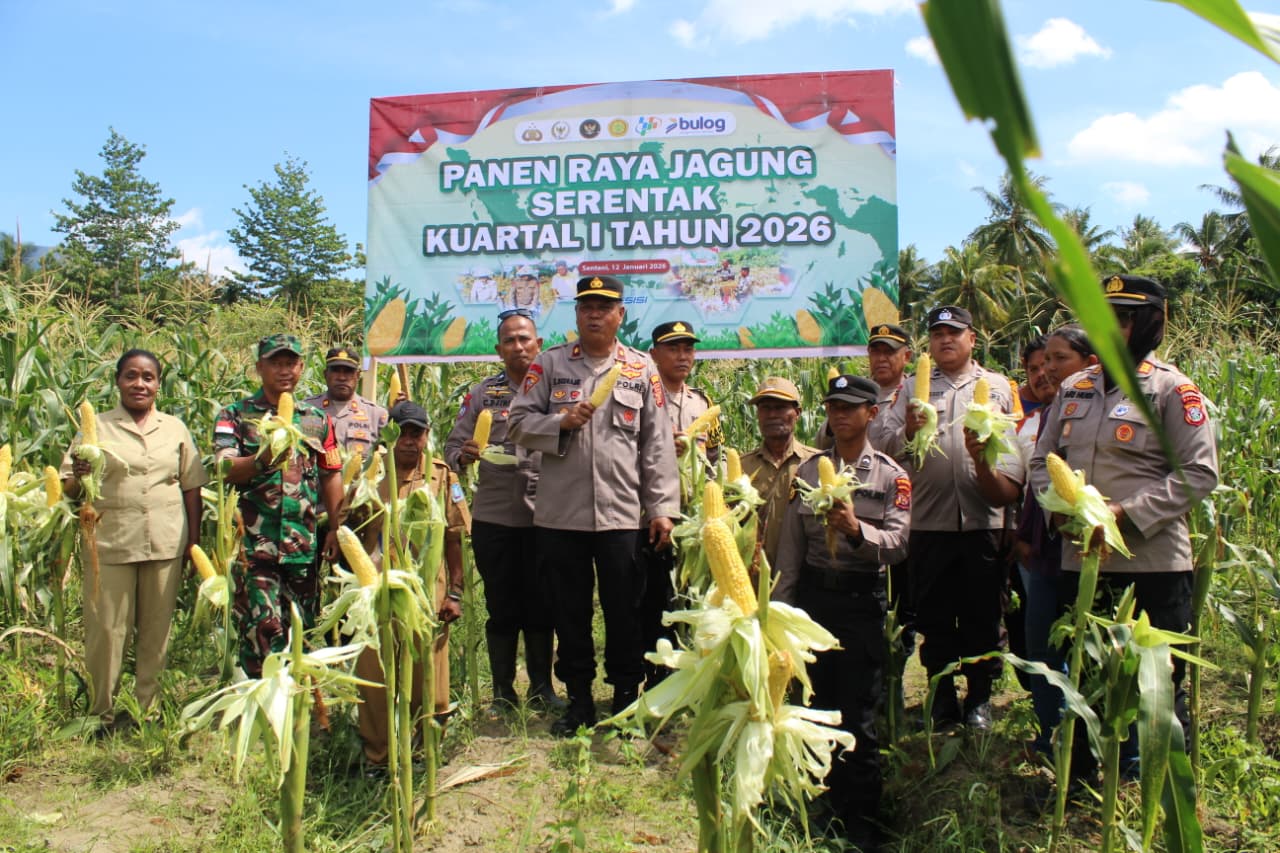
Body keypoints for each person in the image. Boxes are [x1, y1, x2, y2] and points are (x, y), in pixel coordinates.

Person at [1030, 275, 1218, 772]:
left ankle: (1154, 780)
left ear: (1147, 324)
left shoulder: (1171, 390)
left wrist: (1122, 514)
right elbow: (1041, 459)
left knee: (1155, 684)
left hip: (1151, 566)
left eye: (1121, 317)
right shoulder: (1074, 388)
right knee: (1087, 673)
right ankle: (1088, 777)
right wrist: (1059, 510)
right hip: (1083, 564)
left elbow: (1199, 472)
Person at [508, 274, 680, 736]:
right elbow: (517, 425)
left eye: (605, 306)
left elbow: (657, 445)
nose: (595, 313)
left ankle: (625, 699)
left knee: (625, 610)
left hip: (622, 516)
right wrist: (560, 422)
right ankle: (579, 701)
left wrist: (661, 507)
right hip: (561, 516)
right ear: (577, 314)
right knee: (570, 612)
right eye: (587, 306)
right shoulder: (549, 365)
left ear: (621, 314)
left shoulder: (641, 370)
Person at [773, 375, 910, 849]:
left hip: (858, 603)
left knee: (858, 714)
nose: (840, 416)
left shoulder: (890, 476)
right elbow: (790, 551)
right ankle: (821, 804)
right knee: (814, 706)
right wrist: (781, 613)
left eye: (851, 408)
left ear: (872, 414)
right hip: (814, 600)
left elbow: (897, 545)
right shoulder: (808, 474)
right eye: (834, 407)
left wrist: (856, 530)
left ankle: (863, 818)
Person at [881, 306, 1022, 730]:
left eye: (954, 332)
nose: (945, 339)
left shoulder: (997, 387)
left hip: (986, 521)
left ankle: (979, 697)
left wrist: (1011, 510)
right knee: (935, 617)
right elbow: (884, 447)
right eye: (938, 332)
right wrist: (907, 430)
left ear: (972, 339)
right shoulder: (909, 389)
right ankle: (941, 697)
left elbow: (1014, 450)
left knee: (983, 615)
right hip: (930, 523)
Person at [61, 349, 207, 734]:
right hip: (111, 543)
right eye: (131, 376)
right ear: (118, 382)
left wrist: (194, 542)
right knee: (106, 632)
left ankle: (148, 711)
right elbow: (70, 489)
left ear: (158, 384)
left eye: (148, 377)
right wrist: (78, 474)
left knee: (156, 631)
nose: (139, 384)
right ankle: (101, 714)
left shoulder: (174, 428)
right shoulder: (95, 429)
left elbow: (191, 486)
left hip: (164, 543)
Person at [443, 308, 562, 713]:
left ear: (539, 344)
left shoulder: (555, 392)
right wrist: (465, 454)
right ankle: (502, 692)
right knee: (502, 606)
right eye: (509, 340)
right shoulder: (481, 395)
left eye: (525, 338)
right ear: (498, 349)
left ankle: (542, 688)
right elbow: (451, 447)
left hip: (547, 515)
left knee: (543, 604)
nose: (518, 346)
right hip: (495, 517)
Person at [213, 334, 343, 678]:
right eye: (275, 363)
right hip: (255, 545)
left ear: (301, 367)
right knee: (263, 628)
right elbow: (224, 468)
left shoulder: (316, 420)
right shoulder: (235, 416)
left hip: (302, 544)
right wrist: (261, 460)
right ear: (259, 368)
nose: (284, 370)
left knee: (303, 629)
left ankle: (299, 710)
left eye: (291, 363)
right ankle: (259, 703)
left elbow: (331, 473)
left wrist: (337, 527)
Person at [355, 401, 469, 770]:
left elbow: (454, 539)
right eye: (401, 433)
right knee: (374, 678)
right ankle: (378, 757)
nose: (409, 441)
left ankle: (424, 755)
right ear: (388, 436)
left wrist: (454, 592)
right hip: (378, 590)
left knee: (430, 682)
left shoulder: (441, 476)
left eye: (416, 433)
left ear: (426, 436)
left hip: (427, 592)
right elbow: (351, 530)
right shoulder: (372, 474)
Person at [1016, 325, 1096, 755]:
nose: (1045, 371)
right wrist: (1027, 536)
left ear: (1091, 364)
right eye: (1039, 364)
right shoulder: (1037, 419)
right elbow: (1034, 485)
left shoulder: (1104, 411)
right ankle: (1053, 740)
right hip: (1045, 552)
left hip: (1089, 551)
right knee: (1043, 651)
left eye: (1057, 360)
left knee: (1088, 654)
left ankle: (1100, 749)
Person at [640, 320, 713, 687]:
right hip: (650, 518)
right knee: (652, 601)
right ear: (654, 355)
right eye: (673, 348)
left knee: (687, 600)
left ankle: (684, 676)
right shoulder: (643, 398)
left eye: (688, 349)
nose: (683, 356)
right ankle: (651, 676)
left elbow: (714, 457)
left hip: (692, 520)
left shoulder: (702, 403)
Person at [740, 377, 820, 572]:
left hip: (803, 578)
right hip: (752, 578)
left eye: (780, 407)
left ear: (797, 413)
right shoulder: (741, 467)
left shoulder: (815, 464)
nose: (772, 414)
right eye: (765, 408)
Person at [304, 346, 388, 457]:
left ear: (357, 376)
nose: (342, 377)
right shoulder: (307, 409)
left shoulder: (376, 415)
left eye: (348, 372)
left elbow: (391, 458)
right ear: (325, 374)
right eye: (336, 371)